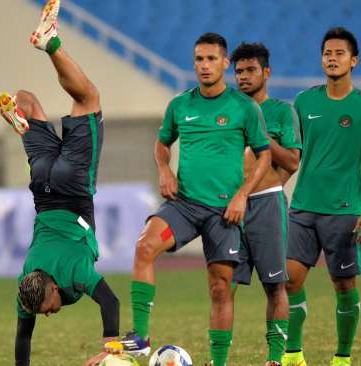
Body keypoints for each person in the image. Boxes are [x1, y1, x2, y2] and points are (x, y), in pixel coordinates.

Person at [104, 33, 272, 366]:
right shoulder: (180, 105)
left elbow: (264, 156)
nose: (205, 66)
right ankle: (140, 337)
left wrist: (242, 195)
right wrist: (164, 169)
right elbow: (162, 143)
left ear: (225, 63)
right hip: (185, 205)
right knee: (144, 246)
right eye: (199, 59)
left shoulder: (244, 107)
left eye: (211, 59)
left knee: (220, 289)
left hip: (225, 212)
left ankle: (219, 362)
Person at [0, 1, 119, 365]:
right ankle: (18, 118)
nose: (48, 314)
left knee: (88, 98)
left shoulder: (71, 274)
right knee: (29, 101)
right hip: (42, 186)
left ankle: (50, 42)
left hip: (73, 187)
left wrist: (110, 349)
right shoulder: (27, 283)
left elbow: (110, 302)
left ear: (53, 287)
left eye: (48, 307)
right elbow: (23, 335)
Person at [282, 27, 361, 366]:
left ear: (353, 61)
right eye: (327, 52)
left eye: (339, 53)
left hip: (344, 210)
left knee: (343, 284)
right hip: (302, 207)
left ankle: (342, 357)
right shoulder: (304, 102)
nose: (332, 57)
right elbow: (291, 153)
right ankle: (293, 354)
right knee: (290, 278)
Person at [230, 42, 302, 366]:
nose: (243, 77)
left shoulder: (282, 111)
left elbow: (292, 160)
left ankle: (275, 358)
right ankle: (220, 358)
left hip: (266, 206)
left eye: (250, 70)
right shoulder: (228, 109)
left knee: (275, 285)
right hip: (230, 207)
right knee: (223, 284)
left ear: (266, 73)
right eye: (239, 72)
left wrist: (264, 141)